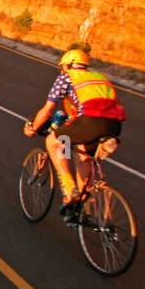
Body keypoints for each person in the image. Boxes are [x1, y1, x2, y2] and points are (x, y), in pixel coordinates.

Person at [23, 48, 126, 217]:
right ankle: (85, 208)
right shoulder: (100, 78)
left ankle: (69, 189)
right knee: (82, 157)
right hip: (114, 126)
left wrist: (33, 128)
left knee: (53, 141)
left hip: (92, 122)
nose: (62, 70)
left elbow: (47, 110)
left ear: (69, 65)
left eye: (63, 67)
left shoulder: (67, 77)